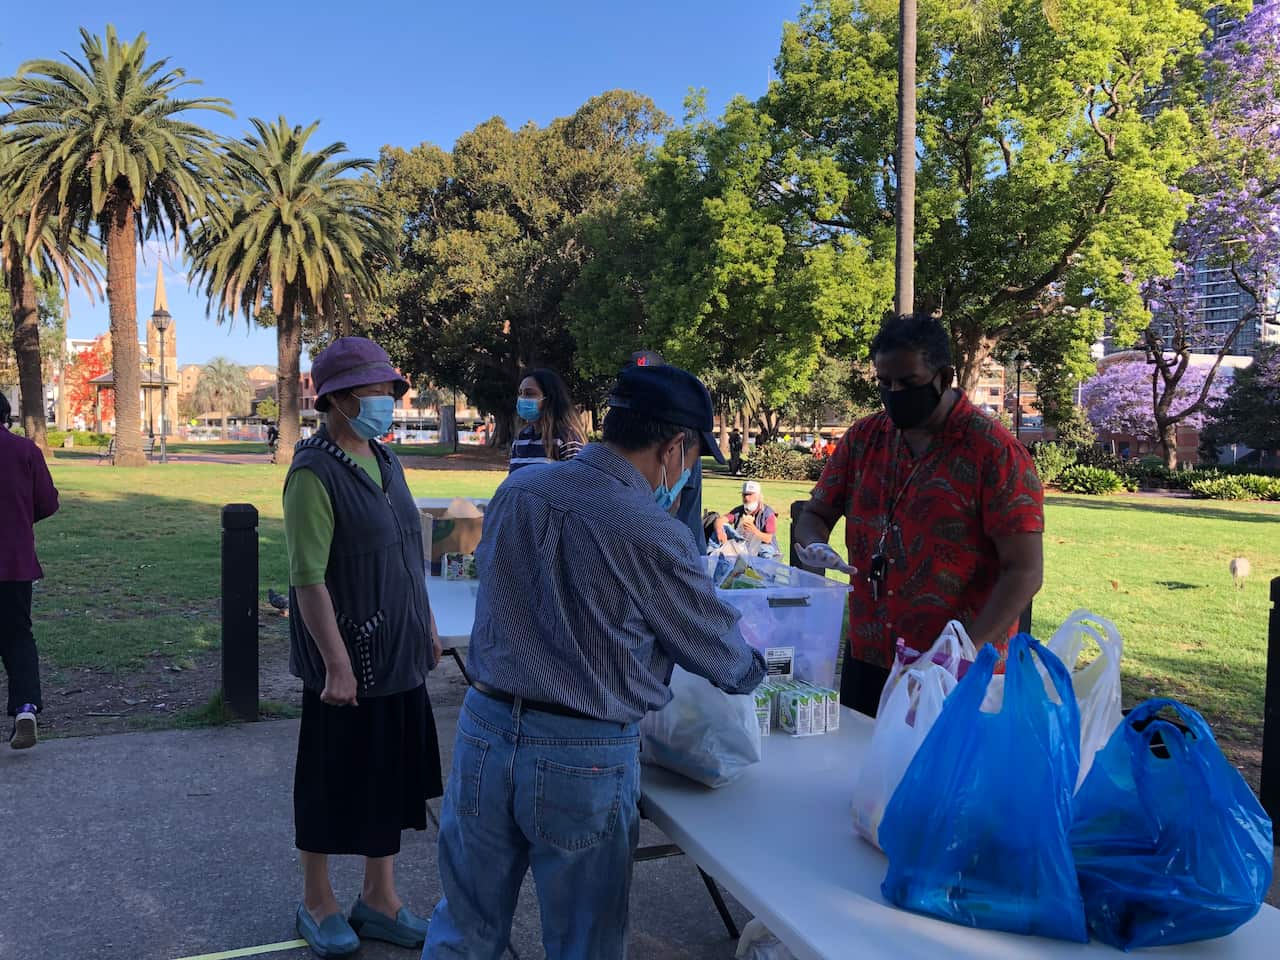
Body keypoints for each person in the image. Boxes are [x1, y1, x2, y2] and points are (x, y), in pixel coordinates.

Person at [423, 363, 766, 960]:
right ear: (673, 447)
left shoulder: (519, 490)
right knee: (585, 943)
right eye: (692, 459)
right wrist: (764, 664)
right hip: (581, 755)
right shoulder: (650, 530)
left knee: (464, 930)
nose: (687, 475)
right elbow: (726, 661)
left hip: (484, 730)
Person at [794, 314, 1044, 717]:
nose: (894, 393)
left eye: (908, 383)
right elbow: (816, 512)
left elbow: (1025, 571)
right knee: (861, 768)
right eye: (883, 382)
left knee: (939, 778)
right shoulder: (864, 438)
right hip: (870, 653)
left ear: (943, 377)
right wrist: (813, 543)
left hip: (955, 667)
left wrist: (964, 648)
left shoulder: (994, 452)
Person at [282, 337, 444, 958]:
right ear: (343, 398)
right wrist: (336, 664)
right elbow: (307, 578)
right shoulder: (312, 472)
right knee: (330, 781)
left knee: (389, 780)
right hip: (348, 665)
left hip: (400, 653)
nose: (390, 401)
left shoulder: (385, 458)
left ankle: (379, 899)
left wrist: (426, 622)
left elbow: (408, 550)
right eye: (381, 391)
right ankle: (317, 900)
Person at [0, 392, 58, 750]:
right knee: (18, 636)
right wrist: (22, 521)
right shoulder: (25, 452)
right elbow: (48, 502)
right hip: (14, 562)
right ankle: (25, 708)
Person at [509, 368, 585, 472]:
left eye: (529, 393)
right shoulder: (520, 439)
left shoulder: (567, 439)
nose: (522, 398)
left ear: (549, 399)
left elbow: (578, 482)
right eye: (520, 393)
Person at [715, 480, 779, 558]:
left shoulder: (768, 513)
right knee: (721, 529)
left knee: (766, 553)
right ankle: (710, 557)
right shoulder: (739, 511)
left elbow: (768, 539)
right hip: (743, 545)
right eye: (744, 495)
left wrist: (754, 530)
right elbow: (720, 520)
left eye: (750, 495)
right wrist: (719, 531)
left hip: (763, 546)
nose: (746, 498)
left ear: (758, 496)